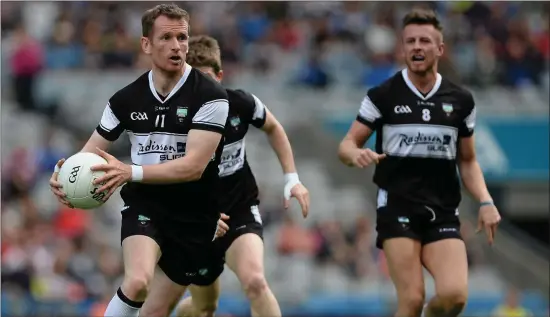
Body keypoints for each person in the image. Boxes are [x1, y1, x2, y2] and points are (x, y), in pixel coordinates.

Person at [49, 4, 231, 317]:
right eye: (166, 38)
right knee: (137, 283)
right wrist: (66, 173)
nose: (177, 46)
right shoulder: (125, 100)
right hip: (145, 207)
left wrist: (129, 171)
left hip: (196, 217)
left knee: (184, 309)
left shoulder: (211, 97)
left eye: (182, 37)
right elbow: (89, 152)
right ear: (146, 44)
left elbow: (193, 167)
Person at [337, 9, 501, 317]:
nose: (416, 47)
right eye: (409, 41)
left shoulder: (461, 100)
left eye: (424, 40)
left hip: (442, 210)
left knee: (454, 298)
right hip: (398, 206)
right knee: (411, 300)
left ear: (439, 48)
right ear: (402, 48)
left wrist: (485, 200)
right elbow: (346, 144)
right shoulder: (382, 96)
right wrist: (354, 155)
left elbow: (467, 161)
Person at [139, 35, 310, 317]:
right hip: (194, 223)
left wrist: (292, 178)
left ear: (220, 76)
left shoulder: (240, 103)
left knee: (255, 281)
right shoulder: (172, 124)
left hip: (239, 212)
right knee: (197, 307)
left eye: (208, 80)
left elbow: (273, 128)